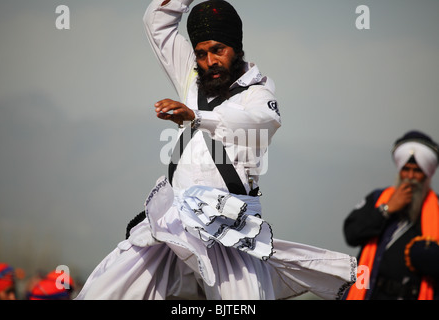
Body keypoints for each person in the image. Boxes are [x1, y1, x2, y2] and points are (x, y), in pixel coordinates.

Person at [76, 0, 356, 300]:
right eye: (201, 53)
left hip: (229, 232)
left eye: (218, 50)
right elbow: (156, 21)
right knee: (106, 292)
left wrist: (196, 117)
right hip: (172, 226)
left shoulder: (258, 95)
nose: (209, 61)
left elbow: (258, 124)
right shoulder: (192, 79)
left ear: (236, 47)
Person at [343, 130, 439, 300]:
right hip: (369, 293)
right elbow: (351, 233)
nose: (410, 177)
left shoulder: (436, 209)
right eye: (406, 170)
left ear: (427, 174)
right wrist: (386, 209)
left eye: (417, 171)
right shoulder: (378, 198)